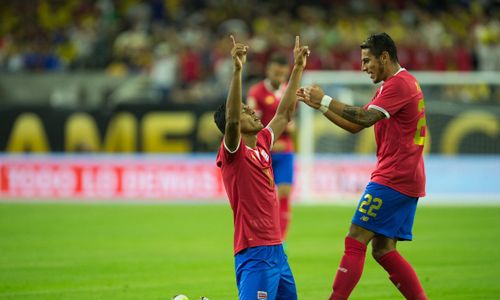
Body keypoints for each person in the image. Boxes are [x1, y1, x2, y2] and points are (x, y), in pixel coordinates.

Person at [297, 32, 428, 300]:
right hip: (408, 178)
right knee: (383, 249)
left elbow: (365, 118)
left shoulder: (399, 84)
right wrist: (321, 108)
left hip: (394, 177)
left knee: (355, 238)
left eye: (367, 60)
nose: (363, 67)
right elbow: (356, 125)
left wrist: (325, 99)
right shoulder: (394, 85)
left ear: (384, 57)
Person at [214, 35, 309, 300]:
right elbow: (232, 120)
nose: (254, 112)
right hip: (254, 252)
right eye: (247, 111)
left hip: (277, 251)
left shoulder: (263, 144)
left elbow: (284, 114)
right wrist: (237, 70)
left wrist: (298, 68)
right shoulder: (234, 152)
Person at [247, 53, 295, 241]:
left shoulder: (289, 92)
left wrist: (292, 127)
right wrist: (271, 142)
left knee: (284, 193)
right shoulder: (256, 92)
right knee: (260, 198)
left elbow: (293, 122)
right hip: (263, 151)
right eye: (277, 72)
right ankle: (258, 237)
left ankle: (280, 242)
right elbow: (252, 123)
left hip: (285, 152)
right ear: (269, 70)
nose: (280, 76)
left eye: (283, 73)